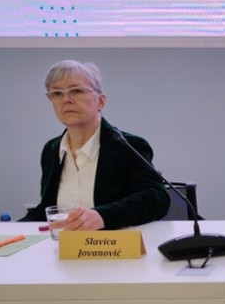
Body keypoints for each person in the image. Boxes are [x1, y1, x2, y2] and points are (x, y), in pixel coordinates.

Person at [20, 60, 169, 230]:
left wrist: (102, 216)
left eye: (76, 90)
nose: (66, 99)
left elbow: (157, 198)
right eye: (57, 93)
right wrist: (6, 230)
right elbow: (47, 207)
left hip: (113, 243)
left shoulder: (129, 146)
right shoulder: (51, 150)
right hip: (64, 243)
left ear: (101, 101)